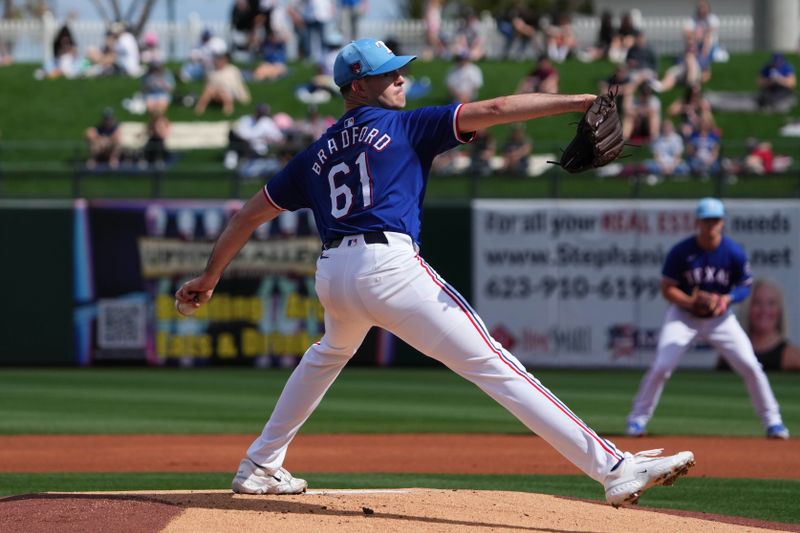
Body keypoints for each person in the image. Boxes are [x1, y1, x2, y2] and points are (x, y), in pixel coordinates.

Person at [175, 37, 695, 506]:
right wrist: (579, 101)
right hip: (388, 266)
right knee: (494, 364)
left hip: (334, 273)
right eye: (389, 73)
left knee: (327, 353)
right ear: (359, 85)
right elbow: (494, 109)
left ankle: (261, 464)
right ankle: (614, 468)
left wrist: (210, 277)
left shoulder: (313, 155)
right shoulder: (404, 124)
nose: (401, 78)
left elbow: (249, 213)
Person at [626, 198, 789, 440]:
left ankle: (773, 422)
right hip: (684, 316)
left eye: (715, 220)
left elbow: (745, 287)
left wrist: (726, 299)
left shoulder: (733, 252)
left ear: (722, 222)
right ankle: (637, 421)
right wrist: (691, 302)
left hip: (720, 319)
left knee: (751, 366)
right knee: (662, 367)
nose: (711, 225)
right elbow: (667, 288)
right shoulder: (682, 251)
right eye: (706, 220)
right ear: (697, 222)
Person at [224, 103, 285, 171]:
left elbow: (278, 137)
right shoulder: (245, 120)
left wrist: (268, 140)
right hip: (245, 146)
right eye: (260, 112)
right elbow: (240, 134)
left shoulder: (267, 122)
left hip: (260, 149)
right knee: (233, 135)